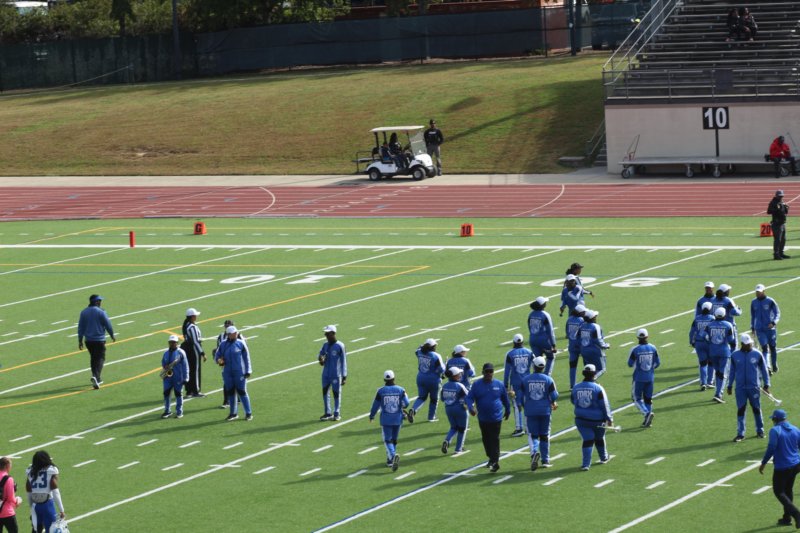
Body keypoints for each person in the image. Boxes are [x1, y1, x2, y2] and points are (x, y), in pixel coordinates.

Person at [467, 363, 511, 473]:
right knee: (486, 439)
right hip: (483, 418)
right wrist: (471, 407)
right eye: (487, 371)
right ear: (483, 372)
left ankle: (495, 461)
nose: (489, 373)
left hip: (496, 417)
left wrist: (508, 410)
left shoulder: (499, 384)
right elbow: (469, 398)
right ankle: (491, 457)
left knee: (494, 439)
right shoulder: (476, 385)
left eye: (491, 371)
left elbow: (505, 399)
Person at [760, 409, 800, 527]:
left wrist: (764, 462)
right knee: (788, 490)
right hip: (796, 465)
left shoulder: (775, 430)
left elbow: (771, 448)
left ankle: (796, 514)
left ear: (775, 419)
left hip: (782, 467)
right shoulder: (795, 429)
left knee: (779, 491)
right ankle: (787, 518)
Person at [727, 333, 770, 442]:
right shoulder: (735, 355)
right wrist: (729, 385)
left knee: (756, 409)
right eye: (747, 344)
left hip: (754, 387)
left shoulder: (757, 354)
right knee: (741, 410)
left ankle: (760, 431)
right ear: (742, 344)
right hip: (740, 388)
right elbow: (731, 371)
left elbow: (764, 370)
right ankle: (740, 434)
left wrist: (766, 384)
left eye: (750, 343)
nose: (750, 345)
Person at [571, 364, 614, 471]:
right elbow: (605, 405)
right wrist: (609, 419)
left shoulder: (576, 387)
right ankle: (603, 457)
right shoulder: (598, 388)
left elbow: (573, 400)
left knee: (588, 440)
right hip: (597, 420)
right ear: (594, 374)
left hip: (581, 419)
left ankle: (586, 464)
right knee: (599, 438)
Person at [521, 356, 559, 471]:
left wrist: (525, 406)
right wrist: (552, 402)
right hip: (545, 411)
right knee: (544, 435)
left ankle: (534, 453)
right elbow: (554, 395)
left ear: (534, 366)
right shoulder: (548, 379)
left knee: (533, 435)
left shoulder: (525, 379)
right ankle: (545, 460)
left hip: (530, 411)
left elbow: (520, 396)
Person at [369, 370, 411, 472]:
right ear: (394, 378)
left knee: (388, 440)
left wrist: (372, 416)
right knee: (394, 440)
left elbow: (375, 405)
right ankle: (390, 460)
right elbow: (406, 403)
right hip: (398, 418)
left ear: (384, 379)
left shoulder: (380, 391)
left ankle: (392, 456)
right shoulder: (401, 389)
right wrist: (400, 407)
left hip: (386, 419)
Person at [77, 294, 115, 390]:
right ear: (96, 302)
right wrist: (112, 335)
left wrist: (80, 340)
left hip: (88, 341)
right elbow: (108, 324)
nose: (101, 302)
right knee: (101, 358)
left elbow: (80, 327)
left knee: (93, 358)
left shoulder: (83, 312)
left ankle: (96, 377)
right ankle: (96, 377)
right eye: (100, 301)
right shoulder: (101, 312)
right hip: (99, 340)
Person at [215, 325, 253, 421]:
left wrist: (248, 370)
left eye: (236, 332)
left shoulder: (241, 343)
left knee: (242, 391)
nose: (236, 334)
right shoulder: (223, 344)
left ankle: (248, 413)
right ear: (228, 334)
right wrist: (219, 360)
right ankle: (233, 413)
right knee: (231, 392)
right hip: (227, 372)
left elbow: (247, 357)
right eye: (233, 333)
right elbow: (217, 356)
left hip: (239, 372)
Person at [25, 451, 65, 533]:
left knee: (36, 529)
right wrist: (61, 510)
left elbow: (28, 491)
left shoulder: (30, 471)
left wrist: (31, 507)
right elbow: (55, 492)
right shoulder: (51, 470)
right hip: (47, 504)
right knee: (51, 529)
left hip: (35, 505)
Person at [628, 329, 660, 428]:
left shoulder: (634, 349)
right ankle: (648, 421)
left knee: (636, 398)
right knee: (648, 399)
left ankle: (646, 414)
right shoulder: (653, 348)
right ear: (647, 336)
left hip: (638, 378)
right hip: (650, 377)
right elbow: (657, 363)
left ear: (637, 337)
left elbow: (630, 364)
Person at [504, 333, 533, 438]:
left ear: (513, 342)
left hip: (515, 383)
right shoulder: (529, 352)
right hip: (527, 382)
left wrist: (505, 385)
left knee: (517, 405)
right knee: (527, 404)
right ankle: (529, 428)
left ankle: (519, 428)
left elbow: (507, 371)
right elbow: (535, 366)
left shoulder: (510, 354)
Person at [409, 338, 445, 422]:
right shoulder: (436, 355)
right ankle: (431, 417)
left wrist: (423, 345)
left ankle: (413, 409)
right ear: (433, 347)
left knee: (422, 397)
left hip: (420, 377)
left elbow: (417, 349)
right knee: (434, 399)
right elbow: (442, 369)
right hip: (433, 379)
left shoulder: (419, 352)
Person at [706, 307, 736, 403]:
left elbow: (705, 337)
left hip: (712, 351)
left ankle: (717, 392)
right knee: (723, 374)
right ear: (724, 315)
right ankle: (719, 394)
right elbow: (731, 340)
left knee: (718, 372)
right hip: (724, 352)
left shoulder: (709, 325)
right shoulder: (728, 325)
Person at [318, 325, 347, 421]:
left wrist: (344, 376)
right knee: (325, 392)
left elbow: (344, 361)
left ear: (333, 333)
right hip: (325, 374)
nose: (325, 335)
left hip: (336, 374)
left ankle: (337, 413)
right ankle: (327, 412)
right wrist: (321, 359)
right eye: (325, 333)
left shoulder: (340, 346)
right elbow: (320, 355)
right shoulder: (325, 345)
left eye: (328, 333)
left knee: (336, 393)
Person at [214, 320, 245, 408]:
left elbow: (244, 349)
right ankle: (226, 401)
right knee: (227, 382)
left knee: (238, 381)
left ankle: (238, 399)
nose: (227, 327)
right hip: (226, 362)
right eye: (226, 326)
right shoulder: (221, 336)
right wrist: (220, 360)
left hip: (237, 363)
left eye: (229, 326)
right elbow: (218, 350)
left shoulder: (239, 335)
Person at [751, 284, 782, 373]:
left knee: (772, 347)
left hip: (770, 329)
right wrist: (752, 327)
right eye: (757, 292)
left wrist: (774, 322)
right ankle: (767, 367)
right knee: (764, 348)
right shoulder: (753, 302)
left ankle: (774, 364)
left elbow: (777, 313)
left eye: (760, 292)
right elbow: (753, 316)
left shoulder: (770, 301)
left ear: (764, 291)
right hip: (759, 329)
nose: (758, 293)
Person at [440, 367, 469, 455]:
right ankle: (458, 448)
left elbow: (442, 398)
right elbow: (468, 397)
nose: (460, 375)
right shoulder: (459, 386)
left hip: (448, 409)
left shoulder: (445, 386)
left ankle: (447, 440)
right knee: (462, 429)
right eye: (459, 374)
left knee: (453, 427)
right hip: (459, 409)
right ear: (455, 376)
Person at [527, 296, 558, 375]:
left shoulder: (531, 314)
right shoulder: (545, 315)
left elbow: (529, 327)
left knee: (537, 360)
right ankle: (547, 376)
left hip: (533, 340)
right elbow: (550, 330)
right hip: (544, 341)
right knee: (550, 357)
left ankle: (535, 376)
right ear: (543, 305)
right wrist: (553, 344)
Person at [161, 334, 189, 419]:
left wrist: (186, 377)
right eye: (171, 342)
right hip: (168, 377)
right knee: (166, 393)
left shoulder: (181, 352)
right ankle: (167, 411)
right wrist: (165, 366)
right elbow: (163, 363)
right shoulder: (166, 353)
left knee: (178, 394)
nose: (172, 344)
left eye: (174, 342)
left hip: (178, 378)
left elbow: (185, 366)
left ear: (177, 343)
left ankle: (179, 412)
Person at [690, 301, 715, 390]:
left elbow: (692, 331)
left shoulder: (697, 319)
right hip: (709, 343)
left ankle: (703, 383)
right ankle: (710, 382)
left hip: (699, 343)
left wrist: (692, 342)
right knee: (711, 362)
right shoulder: (712, 318)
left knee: (703, 363)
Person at [181, 307, 205, 398]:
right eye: (195, 315)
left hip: (187, 349)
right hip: (193, 350)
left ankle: (189, 391)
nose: (196, 317)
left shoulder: (186, 325)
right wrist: (202, 353)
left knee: (190, 369)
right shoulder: (192, 327)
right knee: (195, 370)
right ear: (192, 317)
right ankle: (196, 390)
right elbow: (195, 341)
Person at [580, 309, 610, 379]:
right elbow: (598, 340)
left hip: (584, 350)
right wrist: (606, 346)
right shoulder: (596, 326)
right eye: (595, 316)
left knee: (588, 370)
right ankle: (591, 380)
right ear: (593, 318)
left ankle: (588, 381)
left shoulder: (582, 326)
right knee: (602, 369)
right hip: (595, 350)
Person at [0, 457, 23, 533]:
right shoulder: (9, 479)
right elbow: (11, 498)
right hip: (7, 512)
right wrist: (18, 500)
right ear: (7, 466)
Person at [566, 304, 586, 390]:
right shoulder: (581, 320)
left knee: (572, 366)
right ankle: (587, 382)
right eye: (583, 312)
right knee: (586, 364)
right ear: (580, 312)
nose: (584, 313)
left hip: (572, 345)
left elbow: (567, 332)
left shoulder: (569, 319)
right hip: (581, 345)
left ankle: (572, 385)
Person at [768, 189, 791, 260]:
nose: (781, 197)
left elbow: (784, 212)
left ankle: (781, 253)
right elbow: (769, 211)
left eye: (782, 196)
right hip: (776, 224)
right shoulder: (773, 202)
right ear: (776, 196)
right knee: (778, 240)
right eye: (780, 196)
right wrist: (777, 209)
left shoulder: (781, 202)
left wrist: (786, 208)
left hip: (782, 223)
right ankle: (776, 254)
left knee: (783, 239)